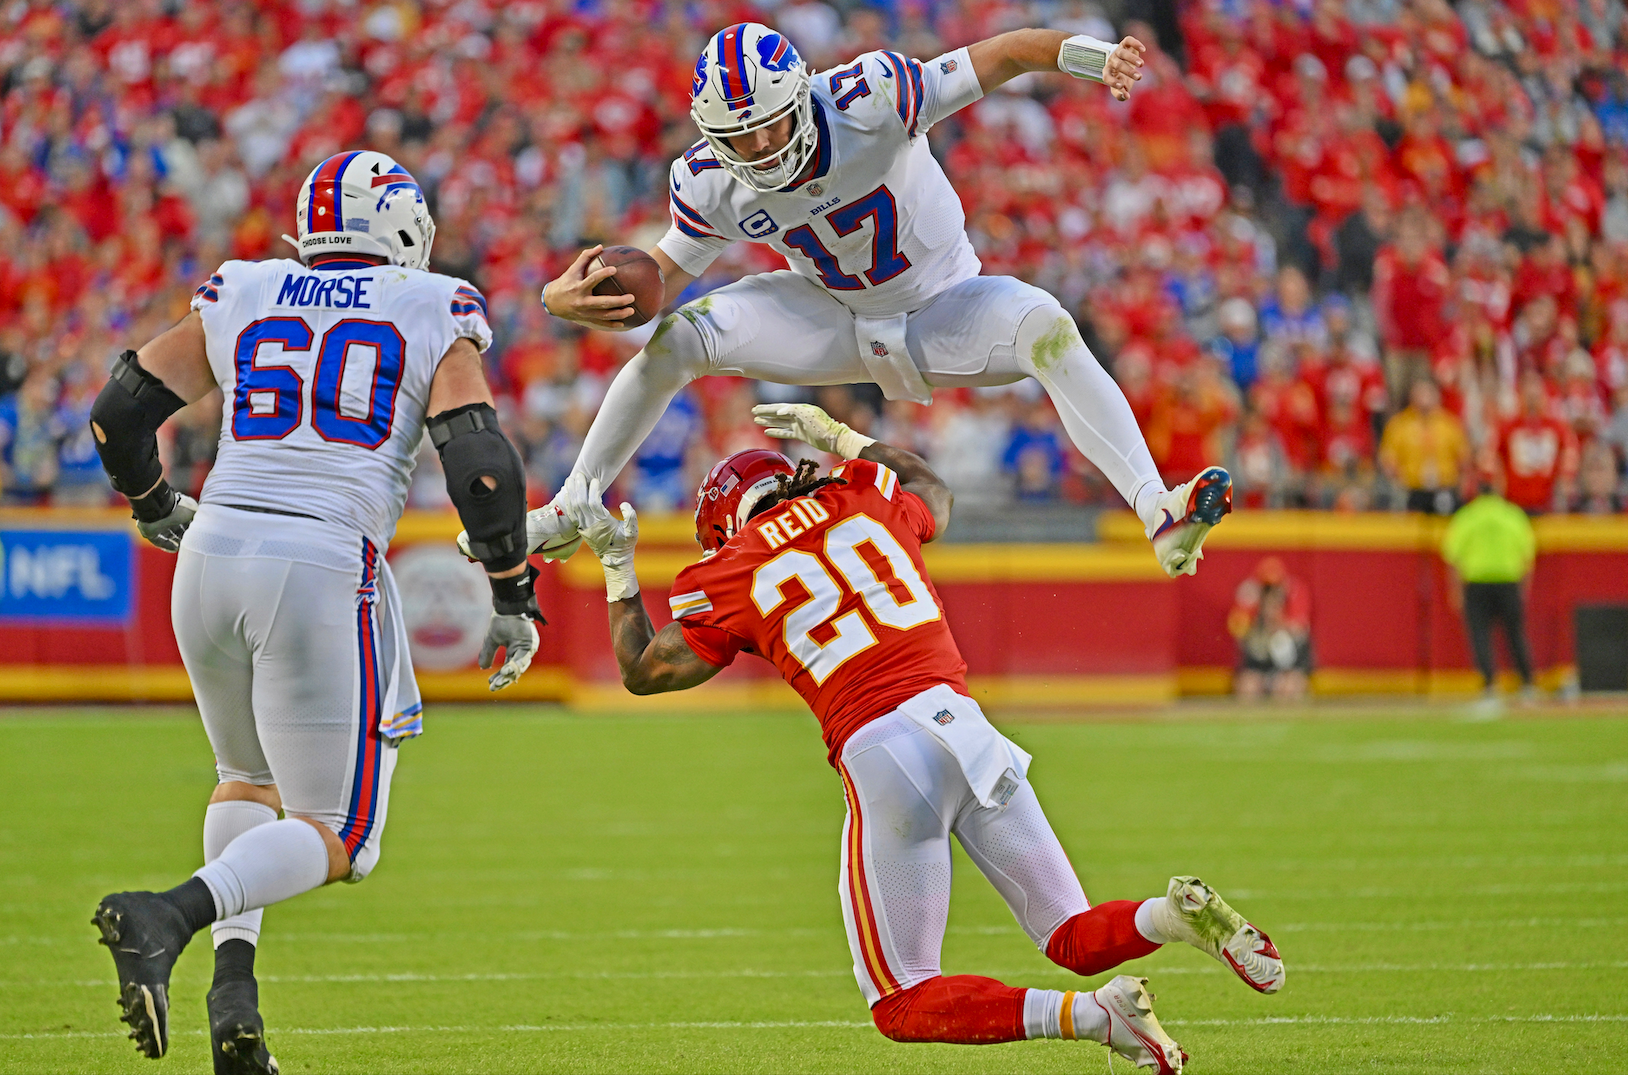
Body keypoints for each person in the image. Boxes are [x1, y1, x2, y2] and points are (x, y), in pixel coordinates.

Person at [564, 402, 1277, 1074]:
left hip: (882, 748)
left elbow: (643, 670)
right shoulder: (865, 494)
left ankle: (1094, 1018)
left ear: (727, 523)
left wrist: (619, 569)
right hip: (965, 726)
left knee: (902, 998)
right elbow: (933, 488)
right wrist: (846, 439)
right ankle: (1172, 915)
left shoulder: (728, 567)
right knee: (1073, 934)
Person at [86, 151, 543, 1074]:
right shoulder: (432, 304)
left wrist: (152, 505)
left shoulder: (245, 286)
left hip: (211, 552)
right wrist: (511, 591)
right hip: (321, 559)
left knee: (245, 782)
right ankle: (166, 915)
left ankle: (234, 998)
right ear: (406, 231)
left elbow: (117, 413)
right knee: (344, 838)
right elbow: (480, 466)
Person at [495, 22, 1231, 580]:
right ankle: (574, 500)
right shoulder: (709, 178)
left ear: (801, 94)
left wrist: (1091, 57)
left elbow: (1006, 54)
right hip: (832, 318)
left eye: (766, 128)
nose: (755, 152)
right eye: (736, 139)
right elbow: (657, 280)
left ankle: (1154, 506)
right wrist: (563, 299)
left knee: (1047, 327)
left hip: (944, 305)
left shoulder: (873, 98)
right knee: (681, 338)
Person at [1442, 479, 1538, 698]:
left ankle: (1489, 684)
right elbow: (1528, 556)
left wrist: (1455, 591)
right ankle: (1527, 682)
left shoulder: (1467, 516)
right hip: (1508, 581)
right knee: (1516, 635)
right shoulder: (1513, 515)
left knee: (1480, 636)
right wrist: (1523, 588)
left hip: (1477, 583)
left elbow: (1453, 558)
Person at [1227, 556, 1313, 700]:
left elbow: (1301, 652)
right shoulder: (1251, 611)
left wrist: (1280, 625)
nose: (1271, 605)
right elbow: (1239, 634)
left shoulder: (1294, 605)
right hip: (1259, 669)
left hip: (1288, 671)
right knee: (1247, 685)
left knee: (1289, 686)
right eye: (1267, 594)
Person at [1379, 378, 1470, 514]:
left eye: (1428, 393)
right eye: (1420, 393)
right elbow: (1388, 459)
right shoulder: (1399, 425)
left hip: (1444, 488)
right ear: (1412, 396)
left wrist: (1461, 483)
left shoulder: (1450, 424)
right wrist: (1398, 483)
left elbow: (1463, 459)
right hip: (1411, 489)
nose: (1424, 398)